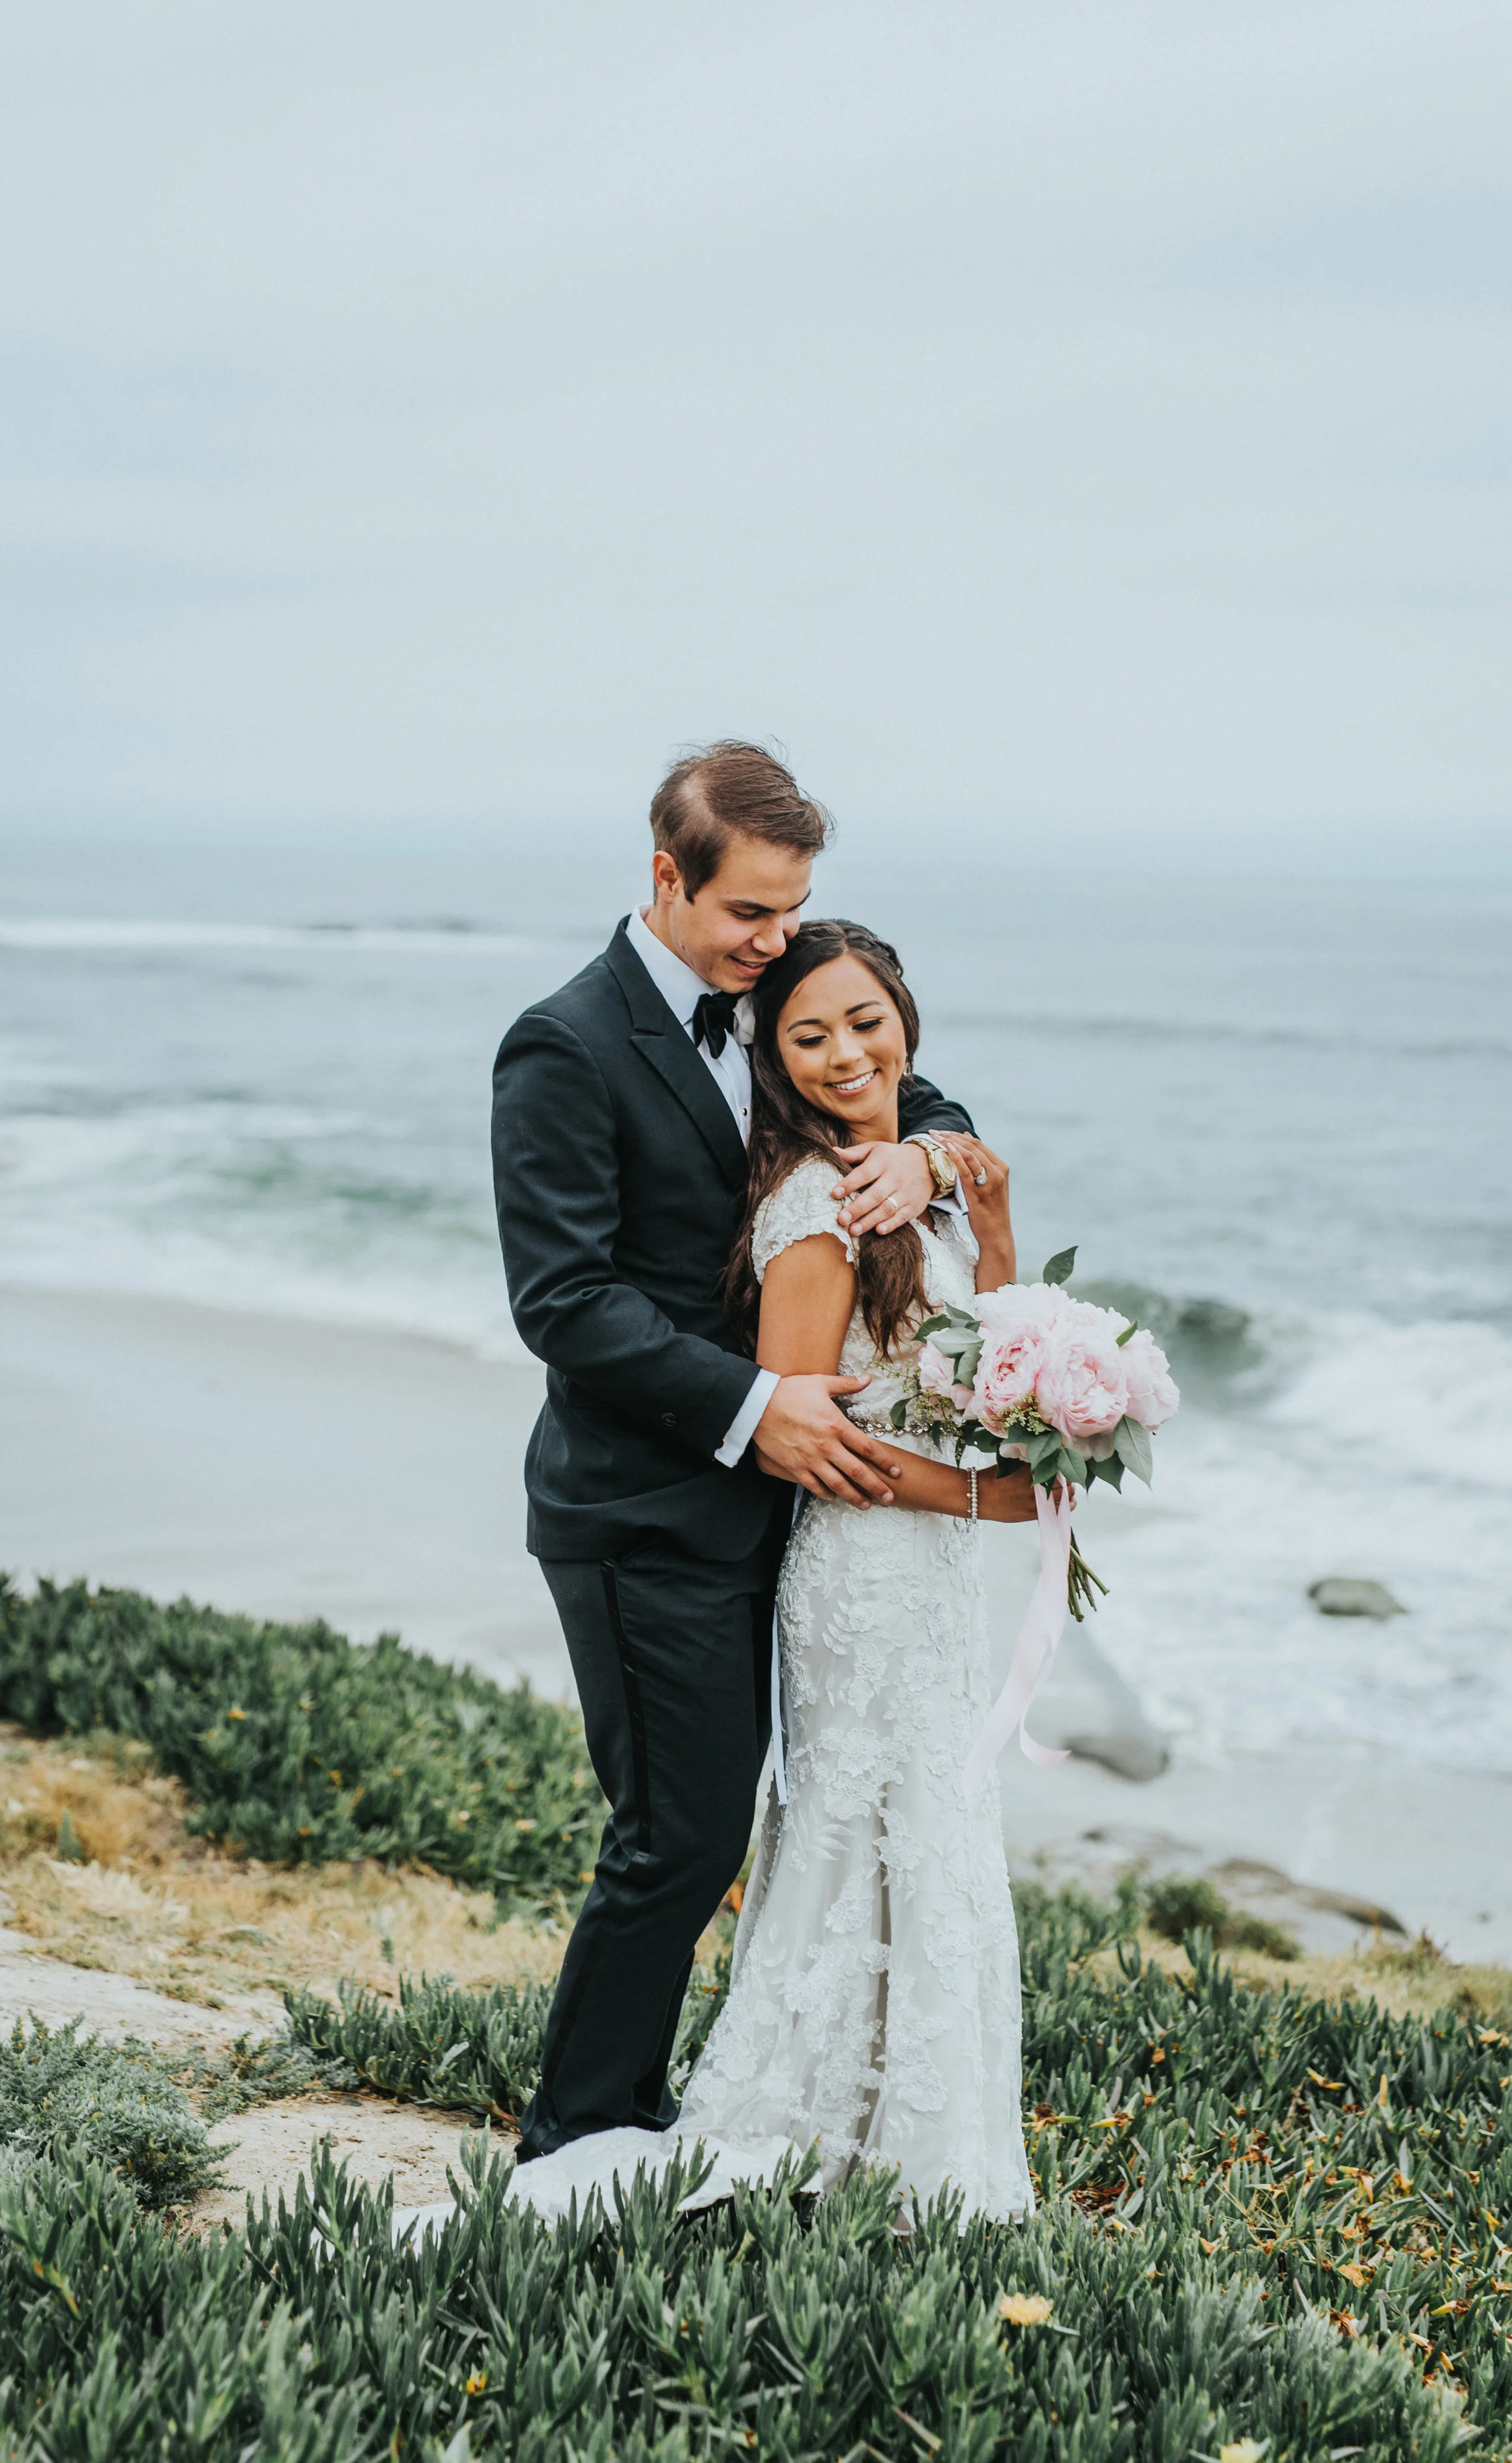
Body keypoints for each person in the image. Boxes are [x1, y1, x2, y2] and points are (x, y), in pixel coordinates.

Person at [488, 743, 976, 2166]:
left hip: (779, 1522)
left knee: (741, 1825)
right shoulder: (563, 1044)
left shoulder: (764, 1002)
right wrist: (758, 1405)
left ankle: (663, 2111)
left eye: (793, 909)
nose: (773, 944)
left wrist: (927, 1161)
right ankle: (577, 2139)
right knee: (680, 1836)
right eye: (749, 913)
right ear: (665, 876)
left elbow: (905, 1077)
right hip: (638, 1507)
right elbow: (562, 1302)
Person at [677, 917, 1036, 2224]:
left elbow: (997, 1349)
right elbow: (799, 1433)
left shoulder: (928, 1174)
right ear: (771, 1059)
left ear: (905, 1019)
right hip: (859, 1568)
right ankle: (804, 2135)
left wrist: (987, 1212)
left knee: (930, 1836)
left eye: (863, 1021)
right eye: (807, 1035)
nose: (844, 1051)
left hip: (930, 1571)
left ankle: (914, 2137)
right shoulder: (810, 1203)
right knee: (874, 1834)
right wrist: (981, 1493)